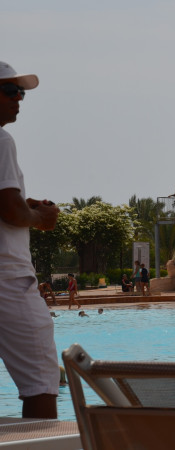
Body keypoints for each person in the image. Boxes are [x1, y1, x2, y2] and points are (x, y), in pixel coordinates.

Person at [0, 65, 62, 420]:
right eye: (10, 91)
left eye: (20, 93)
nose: (19, 99)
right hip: (8, 279)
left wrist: (27, 205)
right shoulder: (2, 140)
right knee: (41, 379)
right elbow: (9, 210)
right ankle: (41, 442)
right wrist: (41, 218)